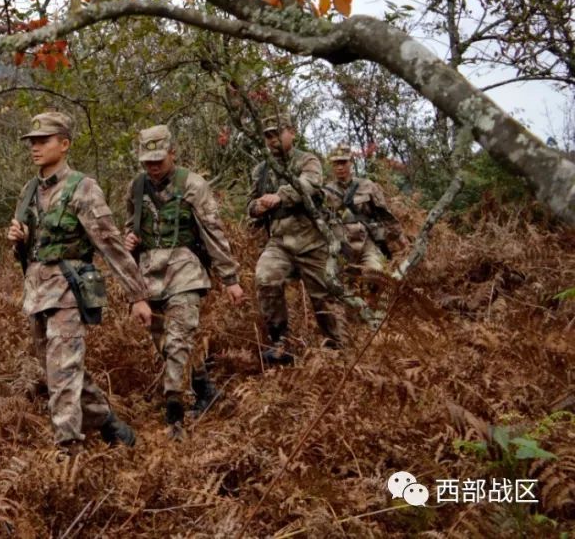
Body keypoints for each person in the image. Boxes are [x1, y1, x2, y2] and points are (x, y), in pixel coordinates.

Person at [7, 111, 153, 452]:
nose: (36, 147)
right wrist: (19, 237)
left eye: (44, 141)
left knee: (61, 373)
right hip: (37, 293)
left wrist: (138, 295)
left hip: (69, 292)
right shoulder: (29, 190)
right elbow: (29, 249)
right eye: (32, 142)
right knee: (58, 369)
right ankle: (108, 423)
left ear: (65, 144)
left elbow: (111, 244)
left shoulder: (82, 188)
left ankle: (69, 452)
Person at [123, 125, 244, 437]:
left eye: (158, 160)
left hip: (185, 270)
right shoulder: (136, 187)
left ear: (172, 154)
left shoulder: (192, 184)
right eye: (147, 160)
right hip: (150, 274)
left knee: (179, 340)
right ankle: (204, 386)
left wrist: (229, 277)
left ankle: (175, 412)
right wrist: (129, 240)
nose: (152, 166)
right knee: (165, 343)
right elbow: (129, 225)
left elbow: (213, 231)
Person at [247, 113, 345, 365]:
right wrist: (256, 207)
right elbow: (251, 204)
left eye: (277, 133)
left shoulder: (307, 160)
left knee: (323, 296)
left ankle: (338, 346)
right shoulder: (261, 170)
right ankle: (281, 342)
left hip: (311, 240)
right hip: (279, 241)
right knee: (265, 277)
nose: (272, 140)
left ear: (291, 132)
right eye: (267, 135)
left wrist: (280, 195)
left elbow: (309, 184)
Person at [325, 144, 409, 282]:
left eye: (343, 162)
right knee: (339, 285)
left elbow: (385, 215)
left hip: (366, 243)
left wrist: (400, 239)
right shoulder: (325, 191)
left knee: (378, 277)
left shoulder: (367, 185)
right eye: (336, 163)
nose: (340, 167)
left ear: (351, 162)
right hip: (341, 246)